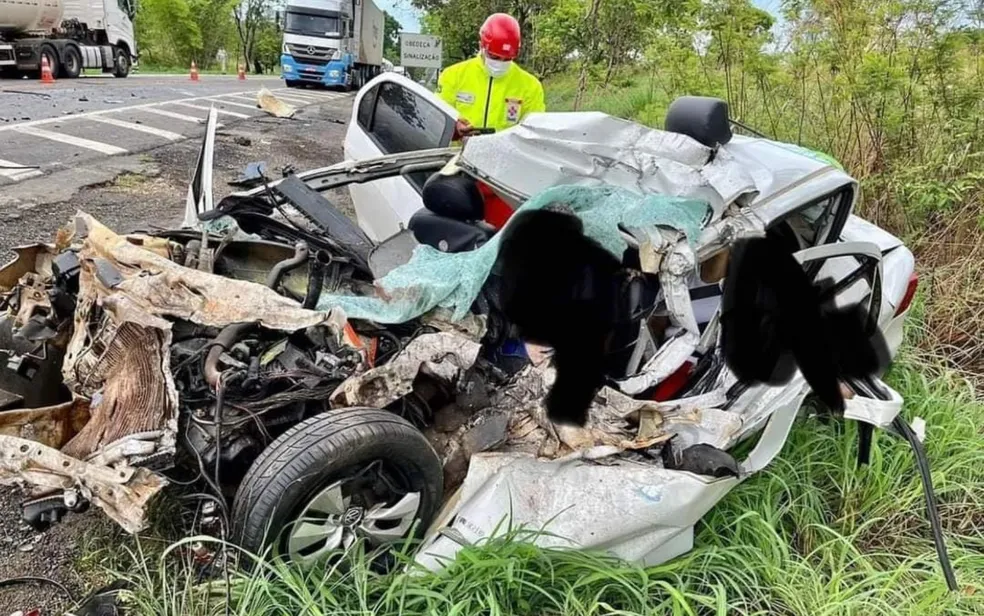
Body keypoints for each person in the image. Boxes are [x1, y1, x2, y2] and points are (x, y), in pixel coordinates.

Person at [436, 13, 545, 138]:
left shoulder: (530, 86)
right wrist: (455, 129)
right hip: (459, 154)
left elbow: (534, 131)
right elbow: (437, 117)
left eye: (507, 59)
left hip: (505, 155)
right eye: (494, 56)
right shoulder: (453, 75)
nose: (500, 62)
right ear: (481, 46)